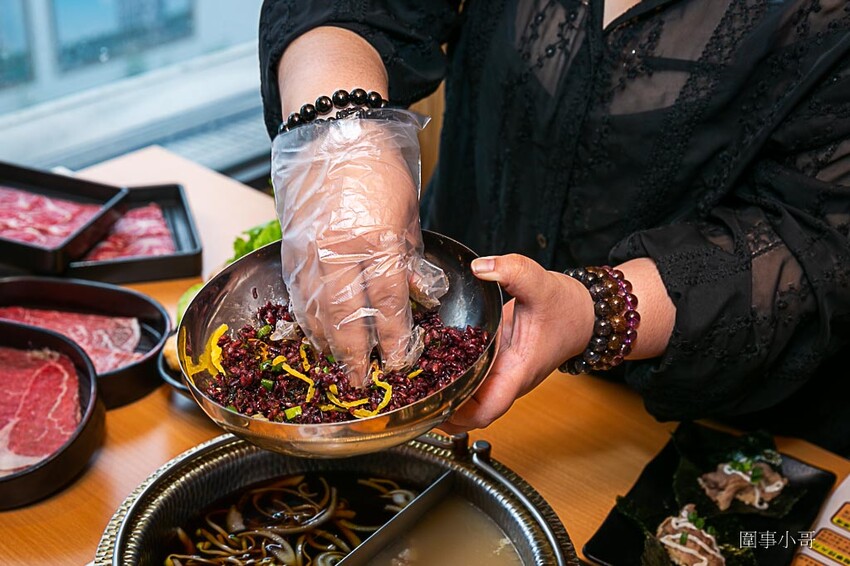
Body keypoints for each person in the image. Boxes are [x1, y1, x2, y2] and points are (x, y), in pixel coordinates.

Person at [259, 1, 850, 456]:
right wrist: (341, 136)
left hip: (692, 423)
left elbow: (818, 241)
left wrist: (595, 310)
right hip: (444, 323)